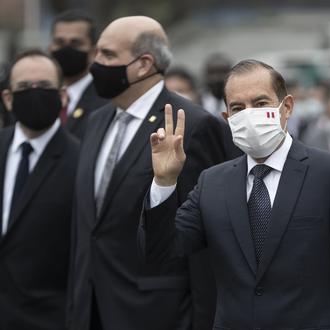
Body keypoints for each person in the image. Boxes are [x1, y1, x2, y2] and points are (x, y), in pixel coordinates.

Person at [139, 59, 330, 329]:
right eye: (238, 108)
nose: (249, 114)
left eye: (260, 104)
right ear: (227, 118)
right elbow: (162, 251)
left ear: (287, 107)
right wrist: (164, 182)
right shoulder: (212, 182)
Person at [68, 16, 227, 330]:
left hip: (157, 314)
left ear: (143, 64)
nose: (96, 64)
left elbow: (204, 243)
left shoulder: (191, 125)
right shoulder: (96, 121)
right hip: (89, 310)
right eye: (97, 53)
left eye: (108, 55)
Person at [0, 50, 79, 329]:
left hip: (49, 318)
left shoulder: (82, 160)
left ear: (62, 96)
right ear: (8, 98)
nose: (34, 94)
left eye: (44, 87)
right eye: (24, 88)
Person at [49, 10, 107, 139]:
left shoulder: (106, 100)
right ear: (50, 48)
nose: (66, 49)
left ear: (94, 52)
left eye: (75, 43)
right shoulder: (40, 93)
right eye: (60, 42)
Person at [200, 53, 231, 117]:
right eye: (213, 73)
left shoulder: (239, 99)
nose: (218, 78)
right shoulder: (197, 101)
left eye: (223, 72)